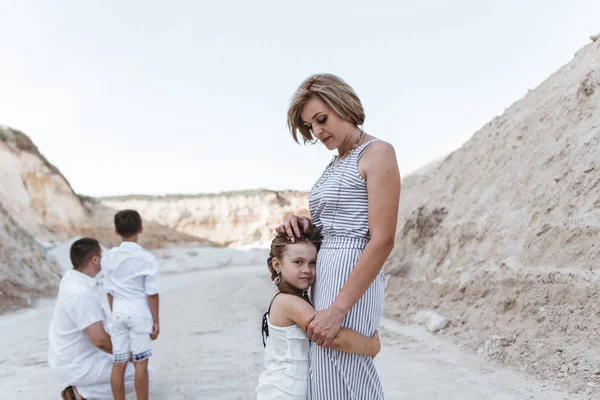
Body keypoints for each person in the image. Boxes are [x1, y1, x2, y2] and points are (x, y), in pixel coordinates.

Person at [278, 73, 401, 399]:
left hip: (353, 275)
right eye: (310, 126)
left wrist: (338, 310)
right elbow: (331, 225)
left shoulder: (377, 152)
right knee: (325, 368)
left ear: (343, 104)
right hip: (326, 272)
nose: (317, 131)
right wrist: (301, 224)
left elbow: (383, 239)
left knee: (350, 370)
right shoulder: (334, 165)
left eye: (321, 119)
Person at [256, 227, 380, 399]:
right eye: (298, 262)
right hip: (285, 392)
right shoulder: (289, 303)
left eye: (312, 262)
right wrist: (373, 346)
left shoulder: (299, 300)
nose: (307, 269)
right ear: (277, 265)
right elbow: (332, 336)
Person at [48, 237, 143, 400]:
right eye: (102, 255)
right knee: (142, 371)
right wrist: (130, 354)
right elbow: (100, 341)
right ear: (94, 260)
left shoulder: (72, 278)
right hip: (76, 363)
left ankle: (85, 389)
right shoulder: (81, 293)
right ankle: (79, 393)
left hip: (67, 357)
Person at [102, 210, 159, 400]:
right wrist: (156, 321)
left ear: (117, 231)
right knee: (141, 363)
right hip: (139, 312)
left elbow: (109, 291)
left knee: (119, 363)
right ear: (140, 229)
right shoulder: (147, 258)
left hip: (118, 311)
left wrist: (114, 313)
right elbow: (152, 294)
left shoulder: (108, 257)